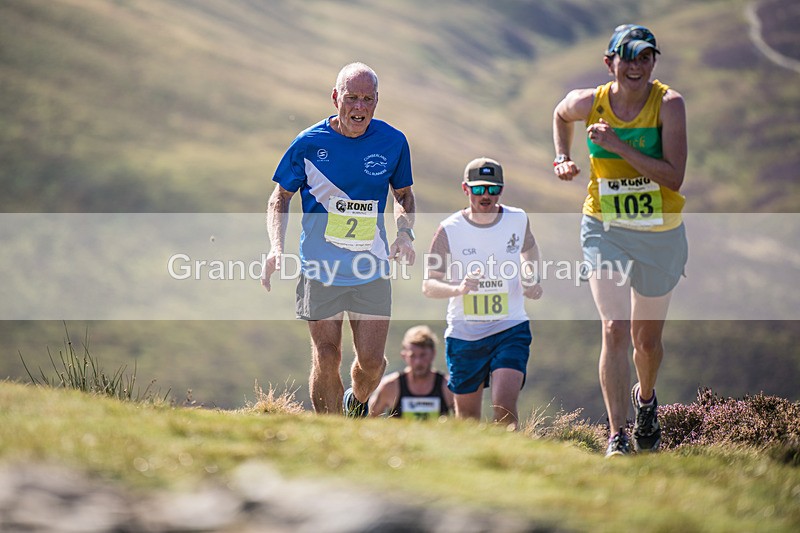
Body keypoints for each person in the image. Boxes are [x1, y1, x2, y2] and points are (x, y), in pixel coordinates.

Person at [551, 24, 688, 456]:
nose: (636, 66)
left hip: (659, 234)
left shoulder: (668, 104)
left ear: (653, 62)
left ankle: (645, 401)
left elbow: (673, 177)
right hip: (604, 226)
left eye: (645, 57)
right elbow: (560, 114)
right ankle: (617, 435)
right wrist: (562, 157)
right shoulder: (589, 102)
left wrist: (616, 144)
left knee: (646, 344)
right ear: (609, 62)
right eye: (628, 57)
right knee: (614, 327)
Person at [261, 62, 416, 417]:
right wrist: (276, 247)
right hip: (320, 267)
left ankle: (355, 403)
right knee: (327, 355)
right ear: (335, 98)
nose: (359, 107)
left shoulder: (393, 141)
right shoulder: (309, 143)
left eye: (367, 99)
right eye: (351, 98)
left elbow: (404, 195)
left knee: (372, 364)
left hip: (370, 266)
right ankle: (330, 433)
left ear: (376, 101)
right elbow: (280, 197)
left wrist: (405, 234)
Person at [422, 157, 543, 430]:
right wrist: (459, 289)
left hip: (510, 327)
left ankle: (510, 454)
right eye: (478, 189)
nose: (485, 195)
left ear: (502, 189)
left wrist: (531, 278)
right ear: (465, 189)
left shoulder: (517, 218)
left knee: (504, 405)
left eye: (493, 189)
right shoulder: (449, 229)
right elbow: (429, 285)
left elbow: (530, 250)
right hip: (465, 334)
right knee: (468, 422)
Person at [368, 325, 454, 420]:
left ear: (433, 353)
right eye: (412, 356)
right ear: (404, 355)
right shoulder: (390, 386)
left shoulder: (448, 386)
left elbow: (462, 420)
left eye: (423, 355)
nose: (418, 362)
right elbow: (370, 419)